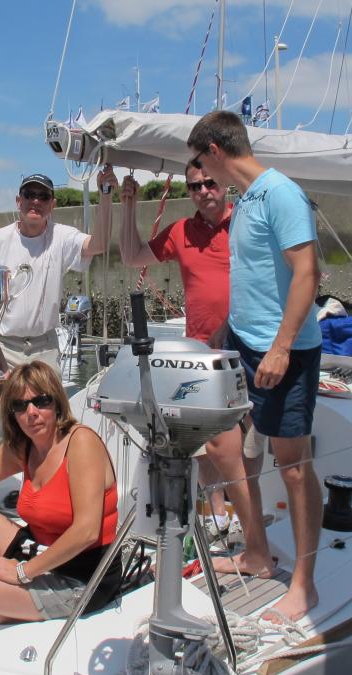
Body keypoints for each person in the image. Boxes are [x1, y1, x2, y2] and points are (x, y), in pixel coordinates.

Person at [186, 109, 323, 624]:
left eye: (202, 163)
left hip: (283, 354)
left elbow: (307, 272)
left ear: (215, 152)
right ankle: (258, 553)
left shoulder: (281, 193)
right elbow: (254, 275)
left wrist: (282, 348)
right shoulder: (245, 202)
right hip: (245, 346)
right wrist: (230, 329)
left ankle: (304, 585)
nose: (202, 175)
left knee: (294, 469)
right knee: (233, 450)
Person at [118, 167, 277, 578]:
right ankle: (230, 526)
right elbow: (132, 257)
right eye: (195, 185)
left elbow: (279, 274)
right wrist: (128, 203)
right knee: (215, 448)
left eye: (210, 182)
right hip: (205, 358)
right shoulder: (180, 232)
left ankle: (246, 537)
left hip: (250, 350)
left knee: (247, 455)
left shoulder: (247, 223)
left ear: (224, 184)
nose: (204, 190)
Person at [0, 361, 121, 625]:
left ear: (57, 403)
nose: (32, 412)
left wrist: (22, 572)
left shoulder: (81, 443)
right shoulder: (24, 447)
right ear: (12, 414)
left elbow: (86, 532)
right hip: (37, 552)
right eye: (20, 405)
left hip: (82, 577)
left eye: (41, 401)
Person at [0, 167, 119, 470]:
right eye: (29, 195)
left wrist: (105, 195)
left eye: (43, 196)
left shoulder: (62, 237)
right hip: (2, 346)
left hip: (44, 346)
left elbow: (99, 244)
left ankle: (42, 489)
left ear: (52, 204)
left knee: (49, 424)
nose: (35, 201)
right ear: (18, 201)